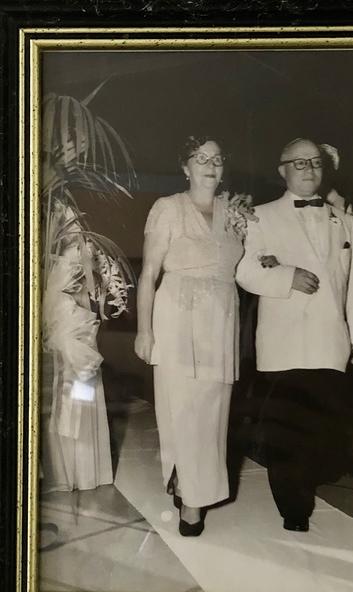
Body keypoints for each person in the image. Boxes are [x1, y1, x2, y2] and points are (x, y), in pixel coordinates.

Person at [236, 137, 353, 532]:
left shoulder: (345, 221)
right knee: (286, 432)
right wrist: (286, 276)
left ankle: (303, 488)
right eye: (299, 163)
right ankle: (293, 510)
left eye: (315, 163)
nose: (309, 170)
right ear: (282, 170)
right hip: (283, 344)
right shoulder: (259, 217)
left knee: (319, 431)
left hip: (330, 341)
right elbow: (244, 272)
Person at [134, 135, 244, 536]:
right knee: (180, 410)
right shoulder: (167, 208)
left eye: (216, 158)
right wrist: (143, 330)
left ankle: (192, 484)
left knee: (212, 413)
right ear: (185, 167)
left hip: (222, 318)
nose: (210, 165)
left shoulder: (237, 211)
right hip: (176, 317)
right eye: (200, 158)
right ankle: (192, 502)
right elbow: (148, 275)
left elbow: (256, 259)